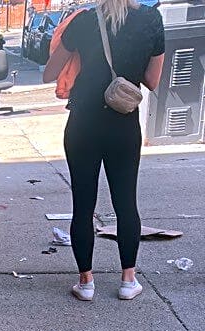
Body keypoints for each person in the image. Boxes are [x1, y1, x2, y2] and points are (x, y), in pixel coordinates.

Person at [43, 0, 164, 301]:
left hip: (83, 124)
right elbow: (152, 80)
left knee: (83, 205)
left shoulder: (83, 21)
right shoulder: (150, 20)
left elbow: (49, 73)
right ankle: (128, 280)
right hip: (123, 125)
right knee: (126, 203)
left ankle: (86, 283)